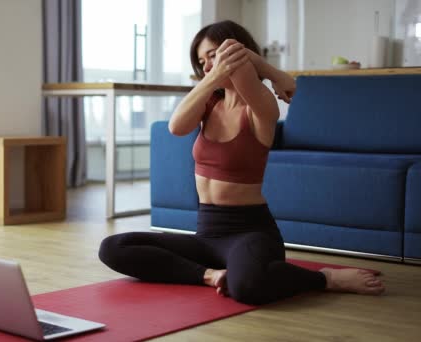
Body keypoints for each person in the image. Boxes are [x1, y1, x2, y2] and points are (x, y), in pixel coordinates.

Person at [98, 20, 385, 305]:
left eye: (214, 56)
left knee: (247, 286)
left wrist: (266, 70)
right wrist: (213, 76)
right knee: (113, 248)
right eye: (202, 61)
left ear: (238, 51)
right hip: (205, 234)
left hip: (250, 234)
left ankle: (326, 278)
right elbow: (176, 127)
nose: (208, 67)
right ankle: (210, 275)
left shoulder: (260, 107)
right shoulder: (208, 104)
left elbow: (249, 73)